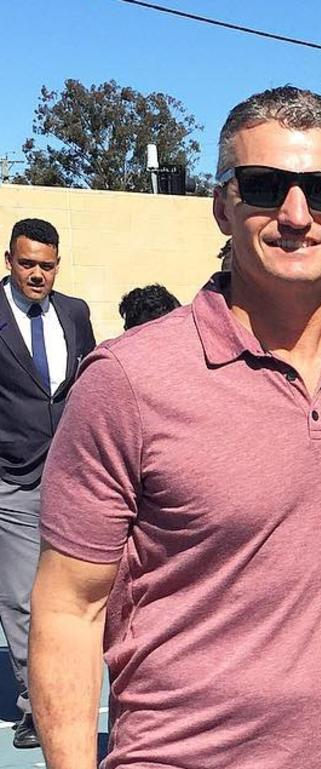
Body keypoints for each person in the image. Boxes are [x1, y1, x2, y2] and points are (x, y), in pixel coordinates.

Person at [30, 86, 321, 769]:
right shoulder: (127, 379)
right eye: (264, 186)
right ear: (222, 205)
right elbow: (68, 609)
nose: (296, 215)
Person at [0, 218, 95, 749]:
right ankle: (37, 706)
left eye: (47, 264)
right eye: (27, 263)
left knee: (78, 593)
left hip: (73, 474)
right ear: (9, 261)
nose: (37, 274)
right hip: (11, 477)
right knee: (19, 599)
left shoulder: (75, 313)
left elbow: (89, 380)